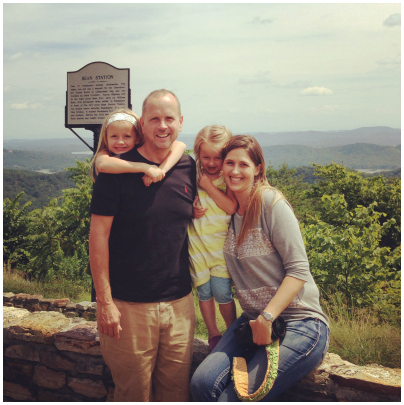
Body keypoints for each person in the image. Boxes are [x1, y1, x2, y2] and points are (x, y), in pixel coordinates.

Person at [190, 135, 330, 402]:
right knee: (202, 385)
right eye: (229, 163)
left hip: (300, 322)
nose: (234, 171)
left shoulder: (270, 203)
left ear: (258, 168)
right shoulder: (228, 211)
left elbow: (299, 269)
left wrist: (267, 317)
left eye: (243, 164)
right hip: (251, 321)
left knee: (239, 397)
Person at [89, 89, 197, 402]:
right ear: (142, 124)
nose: (162, 126)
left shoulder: (187, 166)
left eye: (169, 118)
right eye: (154, 119)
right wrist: (105, 301)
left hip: (180, 304)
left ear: (180, 122)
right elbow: (98, 237)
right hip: (127, 306)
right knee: (133, 394)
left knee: (176, 394)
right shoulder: (116, 171)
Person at [188, 125, 238, 352]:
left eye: (217, 157)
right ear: (198, 154)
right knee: (204, 293)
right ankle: (213, 334)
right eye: (205, 156)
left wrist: (208, 186)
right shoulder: (192, 175)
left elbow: (230, 207)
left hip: (219, 249)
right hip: (197, 246)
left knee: (223, 293)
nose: (210, 162)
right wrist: (190, 210)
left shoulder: (226, 177)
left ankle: (233, 331)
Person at [89, 107, 186, 185]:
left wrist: (161, 170)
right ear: (106, 138)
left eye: (127, 136)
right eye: (114, 136)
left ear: (137, 137)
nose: (120, 142)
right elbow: (102, 164)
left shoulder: (141, 151)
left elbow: (180, 145)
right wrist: (145, 168)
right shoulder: (104, 153)